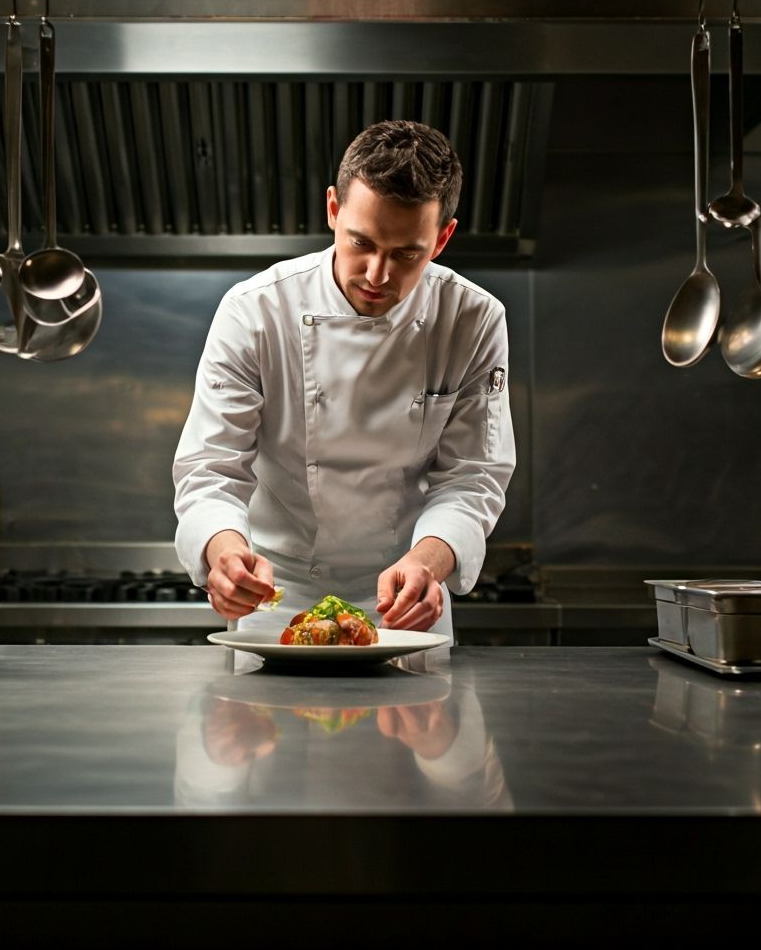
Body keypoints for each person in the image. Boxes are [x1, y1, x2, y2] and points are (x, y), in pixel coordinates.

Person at [173, 120, 515, 640]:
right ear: (333, 209)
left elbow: (472, 478)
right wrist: (223, 554)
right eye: (361, 242)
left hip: (405, 598)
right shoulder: (256, 311)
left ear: (443, 238)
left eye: (407, 254)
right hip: (276, 593)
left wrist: (429, 562)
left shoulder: (472, 318)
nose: (377, 275)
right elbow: (210, 468)